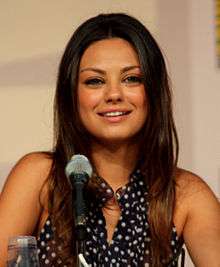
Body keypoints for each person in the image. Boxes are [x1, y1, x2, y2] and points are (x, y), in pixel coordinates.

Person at [0, 13, 219, 267]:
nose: (114, 94)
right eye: (95, 81)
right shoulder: (39, 177)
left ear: (154, 91)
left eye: (131, 79)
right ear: (72, 95)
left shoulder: (185, 193)